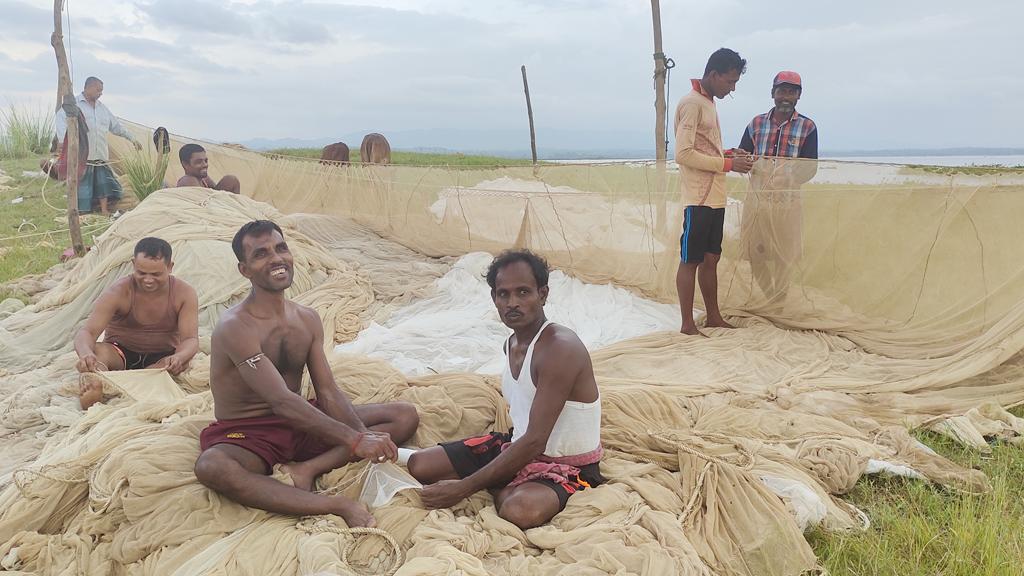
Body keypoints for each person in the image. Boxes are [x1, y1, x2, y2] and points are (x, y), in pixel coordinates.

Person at [193, 220, 419, 528]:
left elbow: (327, 391)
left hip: (301, 421)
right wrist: (354, 441)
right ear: (244, 270)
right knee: (212, 466)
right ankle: (333, 505)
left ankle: (308, 469)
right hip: (249, 432)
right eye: (261, 254)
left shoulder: (307, 318)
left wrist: (363, 435)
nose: (275, 258)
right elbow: (281, 401)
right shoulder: (236, 326)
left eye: (280, 248)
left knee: (403, 415)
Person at [408, 250, 603, 530]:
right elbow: (526, 433)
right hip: (518, 445)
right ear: (494, 299)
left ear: (543, 294)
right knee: (419, 465)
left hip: (568, 464)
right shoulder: (511, 344)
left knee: (519, 510)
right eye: (504, 294)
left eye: (523, 292)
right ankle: (504, 482)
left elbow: (537, 440)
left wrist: (464, 487)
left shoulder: (560, 348)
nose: (513, 303)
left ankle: (504, 485)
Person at [674, 48, 754, 336]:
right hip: (698, 198)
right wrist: (728, 163)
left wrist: (729, 154)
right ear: (713, 75)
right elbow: (683, 154)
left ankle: (714, 316)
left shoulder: (709, 103)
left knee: (711, 258)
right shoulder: (692, 103)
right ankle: (686, 324)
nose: (731, 88)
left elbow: (703, 147)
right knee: (691, 259)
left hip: (716, 197)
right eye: (729, 82)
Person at [73, 237, 199, 409]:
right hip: (120, 354)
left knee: (180, 362)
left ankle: (125, 384)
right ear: (133, 264)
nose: (148, 280)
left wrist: (178, 357)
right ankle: (96, 382)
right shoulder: (118, 291)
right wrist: (86, 354)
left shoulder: (184, 293)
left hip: (161, 359)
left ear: (170, 267)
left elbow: (190, 340)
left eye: (156, 274)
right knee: (98, 351)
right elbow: (87, 332)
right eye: (141, 273)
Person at [737, 71, 819, 300]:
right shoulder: (756, 123)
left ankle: (778, 304)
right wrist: (744, 159)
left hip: (788, 204)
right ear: (773, 93)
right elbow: (744, 156)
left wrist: (790, 177)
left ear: (799, 96)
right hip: (757, 203)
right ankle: (770, 297)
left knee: (784, 257)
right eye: (781, 90)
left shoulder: (808, 127)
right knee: (756, 255)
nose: (786, 96)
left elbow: (810, 168)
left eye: (791, 92)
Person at [55, 77, 142, 215]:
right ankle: (81, 210)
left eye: (101, 91)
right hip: (83, 155)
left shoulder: (102, 109)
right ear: (88, 87)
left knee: (103, 184)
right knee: (83, 186)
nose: (100, 93)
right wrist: (61, 139)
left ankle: (104, 209)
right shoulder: (74, 105)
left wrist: (132, 139)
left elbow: (117, 127)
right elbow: (60, 120)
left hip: (100, 154)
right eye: (98, 90)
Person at [175, 143, 241, 194]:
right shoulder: (188, 180)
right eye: (199, 162)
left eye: (206, 161)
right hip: (205, 210)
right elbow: (204, 204)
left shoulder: (203, 179)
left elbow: (216, 192)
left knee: (231, 180)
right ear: (185, 164)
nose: (205, 165)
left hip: (215, 206)